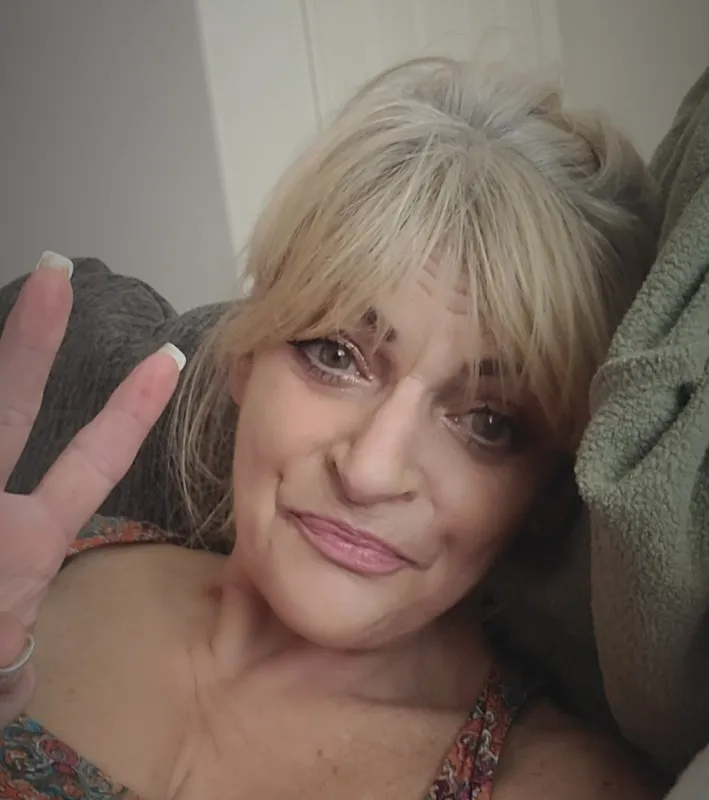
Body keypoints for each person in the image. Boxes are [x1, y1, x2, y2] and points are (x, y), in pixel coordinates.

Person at [0, 58, 664, 799]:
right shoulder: (34, 572)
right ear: (247, 354)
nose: (369, 472)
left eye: (486, 422)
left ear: (546, 493)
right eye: (335, 355)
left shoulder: (558, 785)